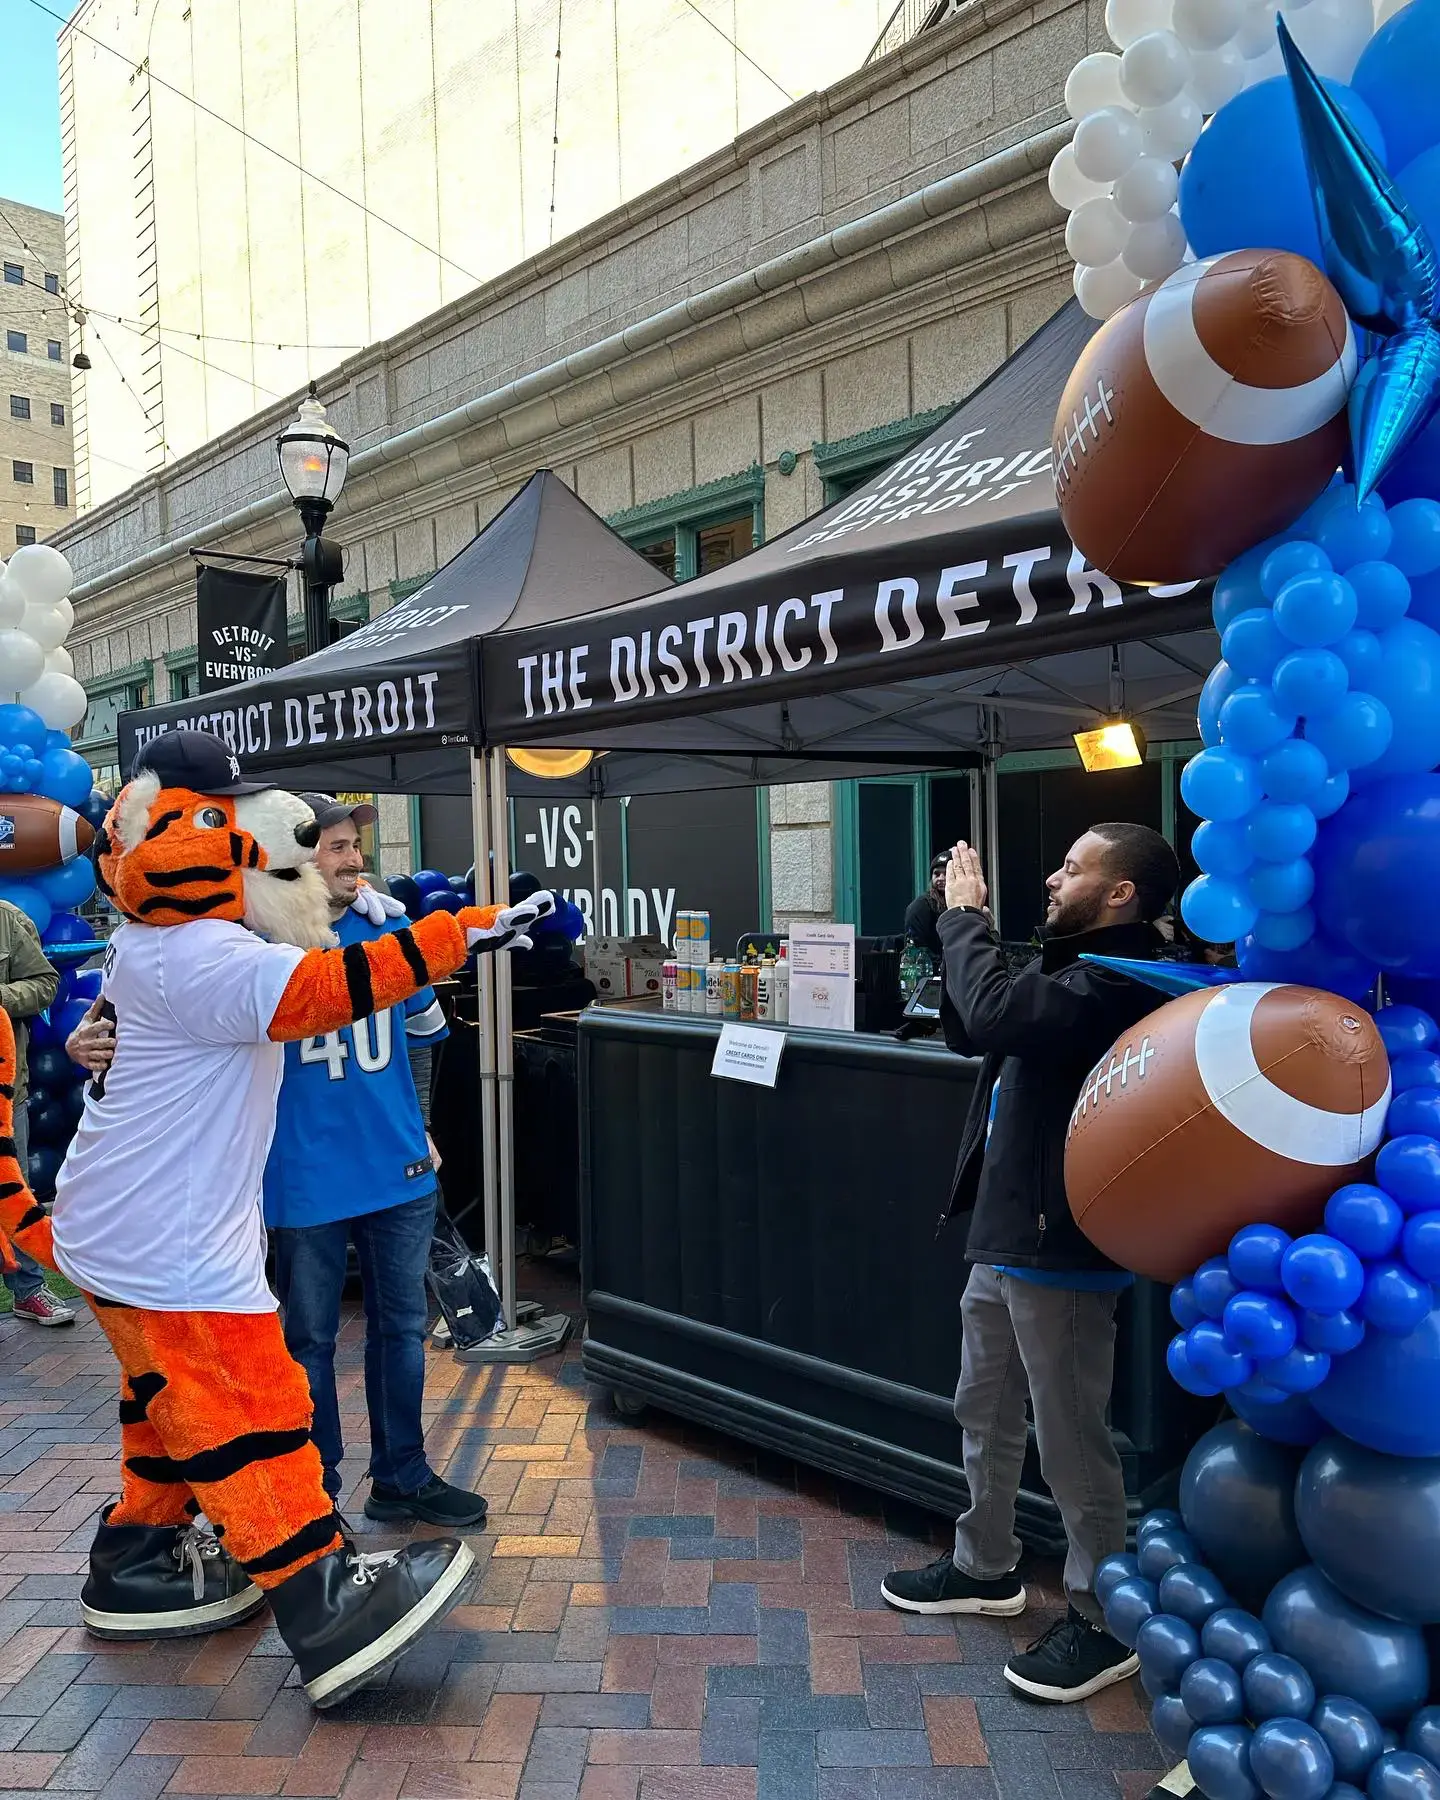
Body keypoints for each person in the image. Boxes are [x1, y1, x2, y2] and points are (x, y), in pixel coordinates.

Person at [881, 822, 1180, 1707]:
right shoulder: (1064, 966)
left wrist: (969, 921)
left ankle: (1102, 1617)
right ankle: (986, 1564)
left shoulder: (1119, 982)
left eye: (1073, 867)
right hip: (1009, 1231)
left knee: (1072, 1440)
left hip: (1066, 1245)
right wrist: (944, 915)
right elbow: (971, 1028)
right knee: (985, 1407)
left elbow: (998, 1015)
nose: (1052, 876)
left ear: (1121, 891)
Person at [263, 796, 486, 1526]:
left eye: (354, 844)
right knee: (308, 1343)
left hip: (396, 1170)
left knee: (402, 1330)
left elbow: (427, 1036)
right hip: (302, 1173)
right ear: (297, 857)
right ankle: (314, 1492)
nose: (352, 858)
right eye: (333, 846)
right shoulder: (258, 940)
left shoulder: (387, 930)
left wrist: (418, 1124)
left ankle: (402, 1475)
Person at [0, 898, 74, 1326]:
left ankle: (28, 1290)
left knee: (14, 1193)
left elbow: (45, 984)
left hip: (7, 1090)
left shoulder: (7, 919)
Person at [902, 854, 949, 961]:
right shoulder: (920, 907)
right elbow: (916, 949)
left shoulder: (960, 906)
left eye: (946, 874)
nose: (941, 878)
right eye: (936, 874)